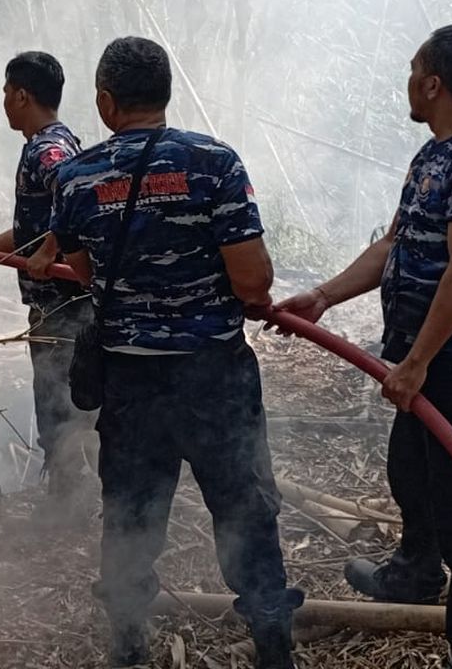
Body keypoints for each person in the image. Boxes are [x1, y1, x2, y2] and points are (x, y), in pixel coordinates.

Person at [50, 36, 299, 669]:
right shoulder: (215, 163)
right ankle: (273, 645)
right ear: (165, 95)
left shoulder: (77, 177)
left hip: (131, 386)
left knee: (131, 516)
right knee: (245, 512)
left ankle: (129, 647)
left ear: (106, 103)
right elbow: (253, 283)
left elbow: (81, 267)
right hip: (214, 378)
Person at [275, 24, 452, 669]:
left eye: (414, 70)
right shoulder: (434, 154)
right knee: (412, 476)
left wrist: (417, 363)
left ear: (433, 83)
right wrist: (325, 296)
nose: (407, 81)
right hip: (427, 361)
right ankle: (415, 572)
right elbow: (395, 245)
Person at [0, 51, 94, 502]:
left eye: (7, 92)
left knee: (60, 408)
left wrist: (51, 249)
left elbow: (76, 197)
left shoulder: (47, 149)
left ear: (22, 95)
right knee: (68, 405)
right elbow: (32, 231)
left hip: (62, 307)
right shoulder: (57, 142)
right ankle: (80, 499)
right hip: (62, 305)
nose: (4, 101)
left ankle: (70, 508)